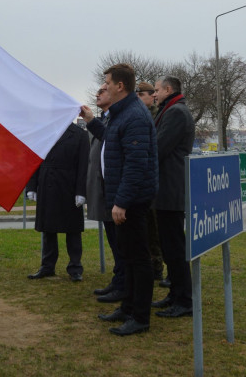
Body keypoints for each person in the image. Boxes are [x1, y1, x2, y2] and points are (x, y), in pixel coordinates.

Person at [81, 63, 158, 337]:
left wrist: (122, 202)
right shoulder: (119, 115)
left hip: (133, 202)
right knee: (127, 257)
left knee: (138, 259)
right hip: (123, 198)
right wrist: (91, 120)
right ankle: (127, 308)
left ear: (120, 86)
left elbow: (136, 165)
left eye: (107, 82)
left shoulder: (134, 116)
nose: (104, 86)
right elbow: (111, 140)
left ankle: (140, 317)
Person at [152, 76, 195, 318]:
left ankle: (184, 301)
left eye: (157, 90)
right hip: (166, 189)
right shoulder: (171, 110)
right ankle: (175, 295)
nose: (154, 94)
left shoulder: (176, 113)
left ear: (168, 90)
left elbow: (159, 147)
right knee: (169, 247)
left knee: (175, 249)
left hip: (171, 189)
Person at [27, 123, 89, 282]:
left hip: (69, 185)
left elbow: (83, 165)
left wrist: (81, 191)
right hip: (47, 183)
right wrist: (32, 186)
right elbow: (34, 159)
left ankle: (75, 268)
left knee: (73, 231)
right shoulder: (44, 130)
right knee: (48, 230)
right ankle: (47, 266)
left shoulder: (79, 134)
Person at [86, 85, 125, 303]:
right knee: (114, 242)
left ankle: (123, 286)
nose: (97, 94)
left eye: (103, 89)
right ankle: (118, 281)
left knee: (122, 245)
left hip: (118, 194)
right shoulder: (107, 119)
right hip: (107, 192)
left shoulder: (121, 119)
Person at [136, 81, 164, 283]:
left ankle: (158, 266)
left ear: (151, 95)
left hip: (158, 181)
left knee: (157, 229)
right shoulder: (140, 115)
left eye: (140, 94)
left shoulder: (157, 115)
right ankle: (152, 265)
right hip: (145, 181)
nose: (137, 97)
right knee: (146, 229)